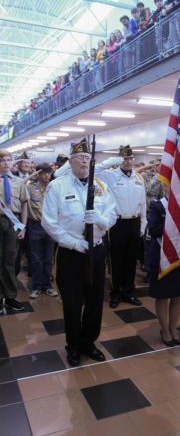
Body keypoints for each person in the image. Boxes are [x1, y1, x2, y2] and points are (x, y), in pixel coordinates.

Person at [42, 138, 117, 366]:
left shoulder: (101, 186)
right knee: (73, 303)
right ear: (71, 161)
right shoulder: (58, 186)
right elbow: (49, 223)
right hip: (71, 254)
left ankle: (88, 342)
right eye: (79, 158)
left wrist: (101, 219)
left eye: (87, 158)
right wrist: (74, 243)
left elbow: (113, 214)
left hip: (96, 252)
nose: (84, 162)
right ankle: (73, 345)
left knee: (95, 302)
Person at [98, 145, 147, 309]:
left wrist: (143, 223)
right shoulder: (110, 176)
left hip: (134, 222)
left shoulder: (139, 178)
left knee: (131, 260)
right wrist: (109, 162)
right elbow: (94, 173)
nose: (128, 162)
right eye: (125, 159)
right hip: (117, 224)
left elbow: (143, 203)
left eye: (130, 158)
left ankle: (128, 291)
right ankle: (115, 293)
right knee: (116, 261)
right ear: (119, 160)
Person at [148, 184, 180, 346]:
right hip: (161, 256)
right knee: (162, 295)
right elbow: (153, 229)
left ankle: (173, 328)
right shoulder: (157, 205)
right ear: (165, 187)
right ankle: (164, 329)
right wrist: (174, 221)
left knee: (177, 294)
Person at [0, 149, 29, 314]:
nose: (6, 163)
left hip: (13, 222)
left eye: (8, 160)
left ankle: (10, 296)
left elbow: (24, 205)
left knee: (10, 261)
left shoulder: (19, 182)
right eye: (2, 160)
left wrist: (23, 227)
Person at [27, 163, 57, 299]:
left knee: (49, 258)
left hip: (51, 226)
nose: (47, 175)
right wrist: (31, 175)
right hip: (35, 226)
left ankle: (47, 286)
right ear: (38, 174)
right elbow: (17, 186)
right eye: (43, 173)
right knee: (36, 259)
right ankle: (37, 287)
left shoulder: (54, 188)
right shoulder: (30, 188)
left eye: (49, 173)